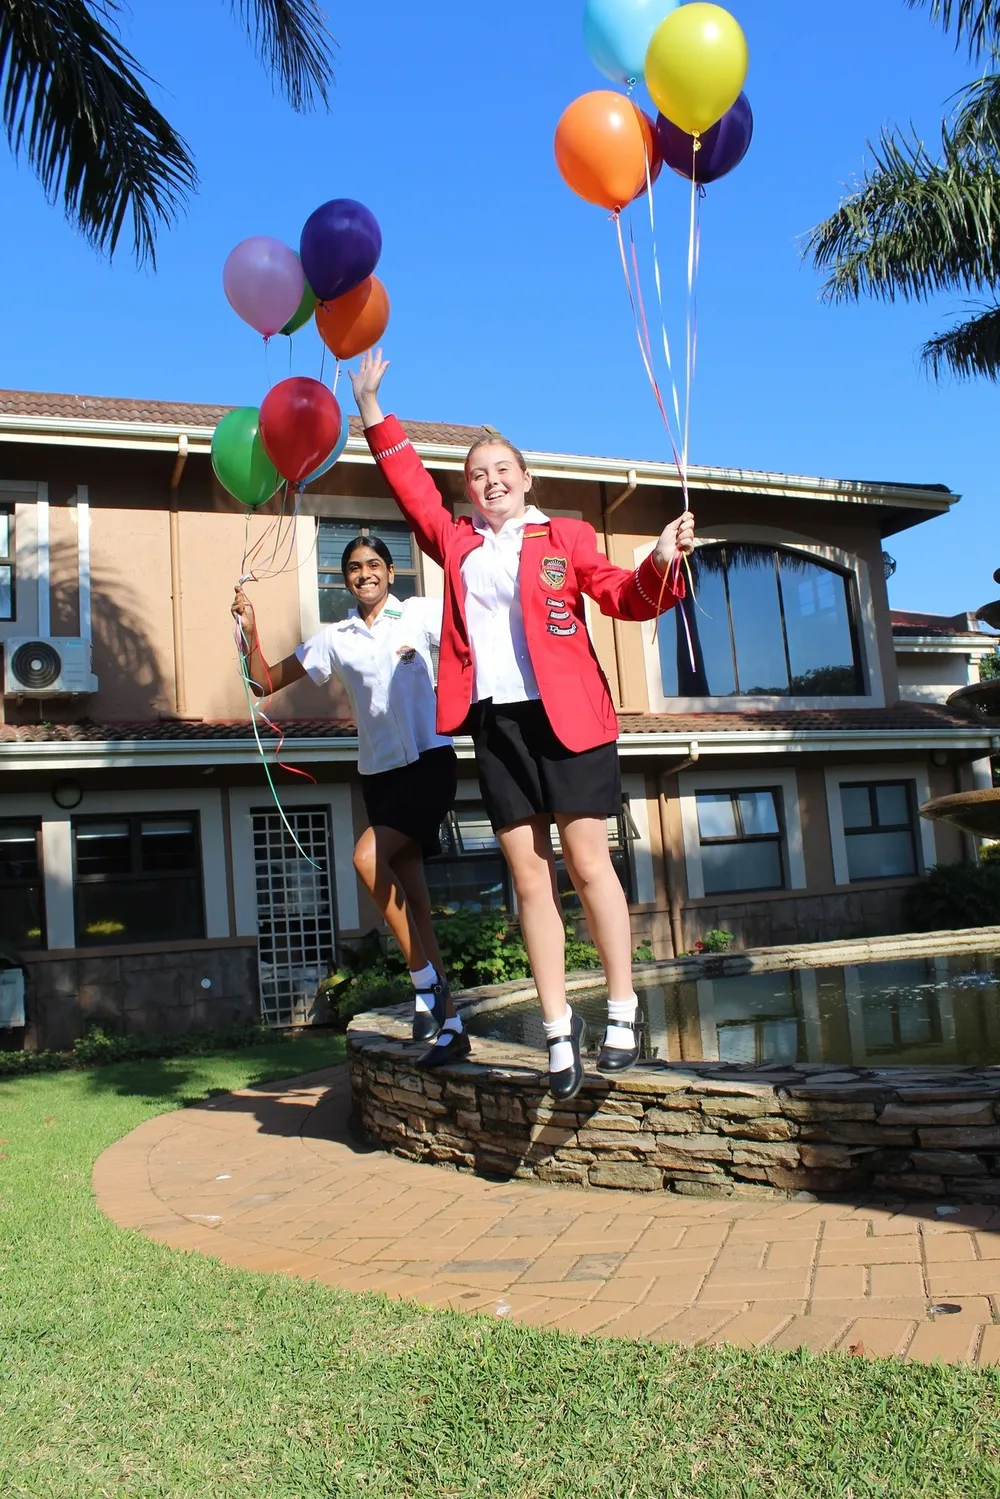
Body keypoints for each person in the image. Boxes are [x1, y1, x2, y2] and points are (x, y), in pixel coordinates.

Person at [351, 349, 694, 1100]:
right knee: (530, 878)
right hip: (495, 724)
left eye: (502, 469)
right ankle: (558, 1031)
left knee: (588, 864)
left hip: (570, 721)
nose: (491, 480)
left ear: (526, 477)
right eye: (478, 474)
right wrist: (373, 409)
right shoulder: (457, 541)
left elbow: (622, 594)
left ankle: (623, 1012)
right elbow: (411, 489)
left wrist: (662, 560)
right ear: (468, 489)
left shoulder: (566, 536)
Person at [231, 532, 468, 1066]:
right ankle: (450, 1024)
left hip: (429, 763)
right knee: (414, 902)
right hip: (379, 775)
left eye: (374, 564)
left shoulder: (419, 614)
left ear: (391, 571)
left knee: (366, 858)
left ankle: (423, 982)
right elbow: (261, 682)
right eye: (355, 568)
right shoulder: (335, 638)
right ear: (345, 580)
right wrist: (249, 631)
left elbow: (471, 641)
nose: (365, 574)